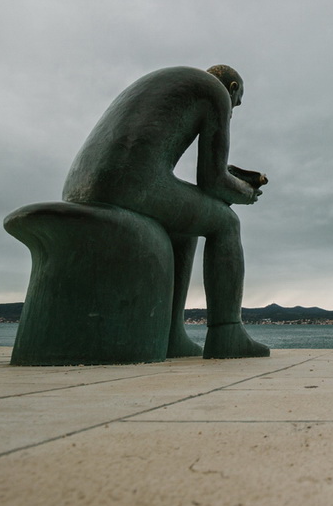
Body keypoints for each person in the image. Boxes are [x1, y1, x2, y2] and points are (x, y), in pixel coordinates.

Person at [62, 65, 270, 358]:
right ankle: (227, 333)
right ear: (232, 87)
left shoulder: (166, 80)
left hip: (81, 186)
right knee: (226, 222)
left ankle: (172, 334)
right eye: (238, 102)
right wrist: (246, 194)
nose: (234, 109)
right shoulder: (216, 93)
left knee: (188, 225)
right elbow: (212, 181)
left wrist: (230, 181)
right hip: (129, 184)